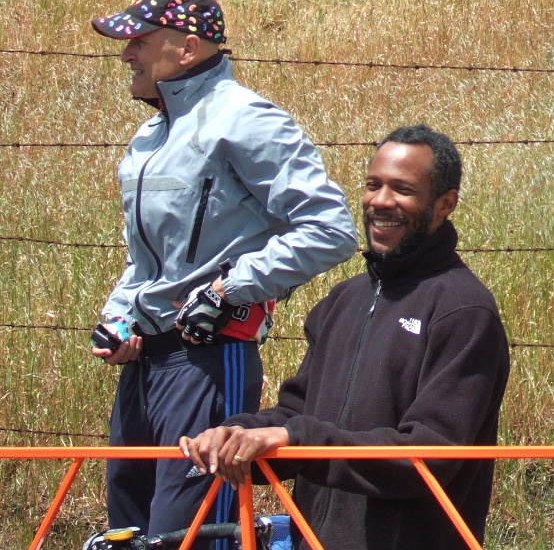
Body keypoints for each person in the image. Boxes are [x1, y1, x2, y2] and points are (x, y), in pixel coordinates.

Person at [88, 0, 358, 545]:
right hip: (144, 372)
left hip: (209, 362)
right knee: (127, 535)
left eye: (139, 38)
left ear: (187, 48)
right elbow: (147, 262)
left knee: (182, 537)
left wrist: (230, 290)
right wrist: (119, 322)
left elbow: (330, 227)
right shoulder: (149, 134)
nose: (126, 52)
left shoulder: (247, 119)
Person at [180, 124, 511, 550]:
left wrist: (299, 439)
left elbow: (430, 454)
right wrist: (238, 434)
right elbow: (297, 412)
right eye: (373, 185)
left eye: (403, 189)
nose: (381, 201)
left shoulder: (463, 311)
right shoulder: (344, 299)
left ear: (445, 204)